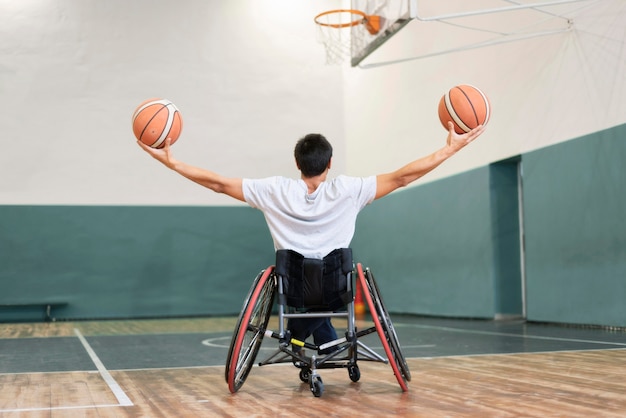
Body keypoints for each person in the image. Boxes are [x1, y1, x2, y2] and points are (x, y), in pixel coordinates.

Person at [137, 121, 485, 355]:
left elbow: (218, 182)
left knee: (306, 309)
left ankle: (307, 343)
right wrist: (450, 149)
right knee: (329, 297)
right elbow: (402, 177)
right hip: (337, 288)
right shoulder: (348, 190)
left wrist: (172, 162)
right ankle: (325, 350)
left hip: (294, 290)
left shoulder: (273, 190)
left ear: (297, 162)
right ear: (329, 163)